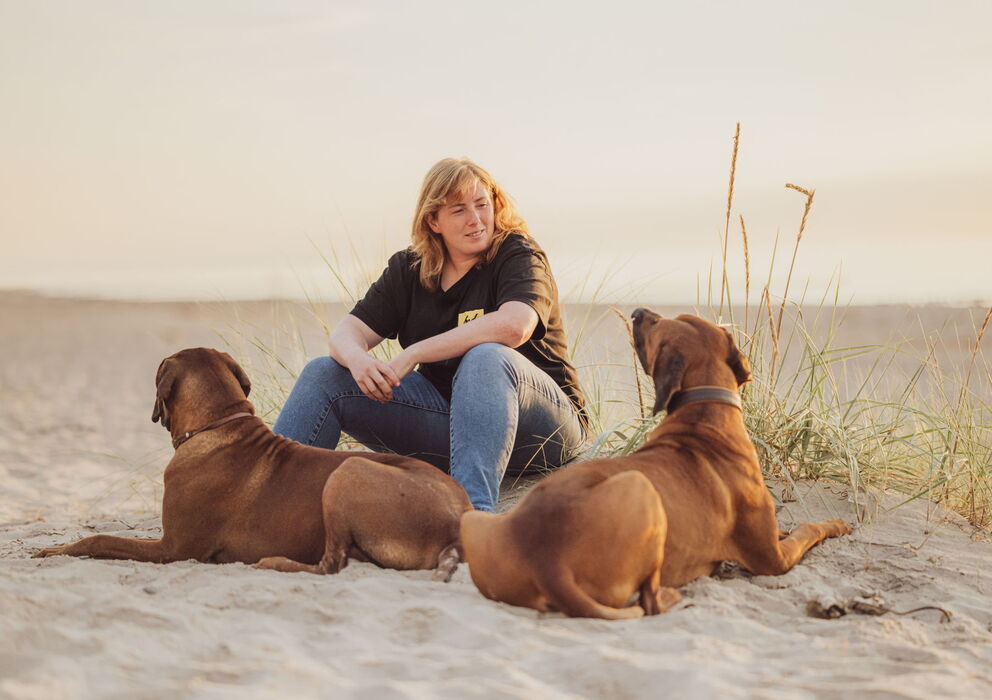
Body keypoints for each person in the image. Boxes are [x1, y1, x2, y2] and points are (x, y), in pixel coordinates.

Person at [273, 157, 587, 512]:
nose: (476, 219)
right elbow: (347, 332)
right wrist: (359, 360)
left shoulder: (517, 253)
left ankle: (471, 517)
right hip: (454, 428)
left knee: (486, 356)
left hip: (545, 431)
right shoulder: (409, 269)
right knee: (324, 373)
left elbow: (515, 325)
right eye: (458, 210)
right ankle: (269, 506)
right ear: (432, 221)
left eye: (482, 204)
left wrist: (415, 352)